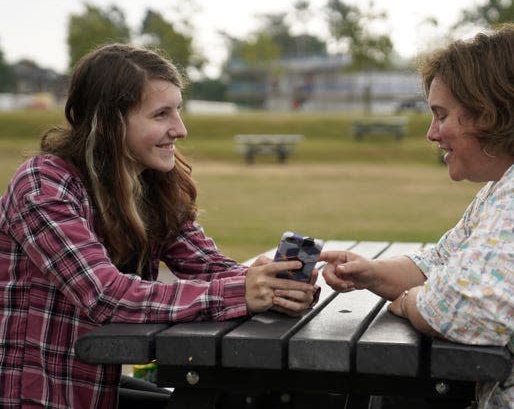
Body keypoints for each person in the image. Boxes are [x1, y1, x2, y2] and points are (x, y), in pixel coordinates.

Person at [320, 22, 514, 407]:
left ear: (486, 113)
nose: (431, 133)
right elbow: (442, 263)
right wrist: (370, 273)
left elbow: (462, 313)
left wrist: (405, 301)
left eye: (441, 116)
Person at [0, 43, 318, 409]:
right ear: (110, 121)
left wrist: (275, 284)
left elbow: (211, 267)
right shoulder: (44, 185)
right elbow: (104, 296)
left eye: (178, 111)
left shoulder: (150, 184)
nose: (179, 129)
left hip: (97, 388)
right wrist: (241, 292)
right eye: (161, 115)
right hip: (34, 396)